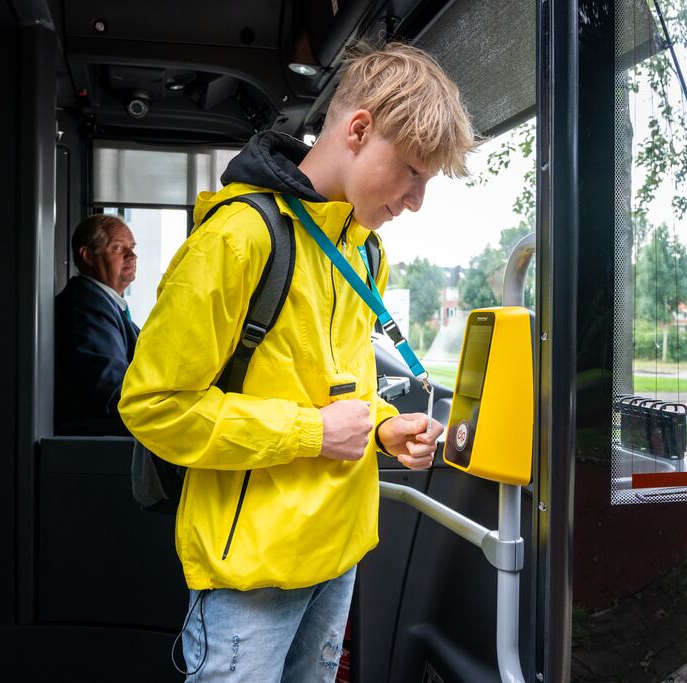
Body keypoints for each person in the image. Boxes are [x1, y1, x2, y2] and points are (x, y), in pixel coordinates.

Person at [119, 43, 474, 681]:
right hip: (251, 579)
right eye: (413, 172)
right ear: (359, 129)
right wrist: (313, 434)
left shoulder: (366, 255)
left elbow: (337, 385)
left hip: (338, 556)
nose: (416, 201)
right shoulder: (238, 237)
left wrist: (383, 426)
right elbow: (153, 406)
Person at [55, 214, 139, 435]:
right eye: (119, 249)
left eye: (132, 247)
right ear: (88, 256)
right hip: (94, 435)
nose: (132, 256)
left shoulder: (107, 304)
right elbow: (113, 391)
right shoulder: (87, 305)